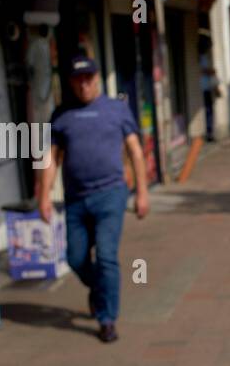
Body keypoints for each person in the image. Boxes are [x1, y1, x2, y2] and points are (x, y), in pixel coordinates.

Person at [39, 54, 149, 343]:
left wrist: (142, 193)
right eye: (78, 80)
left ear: (97, 78)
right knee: (74, 257)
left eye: (88, 78)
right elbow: (51, 158)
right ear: (72, 83)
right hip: (76, 199)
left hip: (111, 194)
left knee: (106, 256)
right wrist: (44, 196)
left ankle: (107, 319)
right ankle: (100, 289)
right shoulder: (61, 115)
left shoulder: (116, 110)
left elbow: (136, 151)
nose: (83, 85)